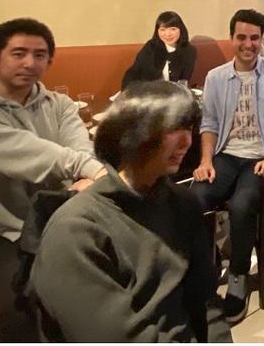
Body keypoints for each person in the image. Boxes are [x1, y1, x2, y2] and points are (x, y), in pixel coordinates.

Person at [30, 81, 215, 342]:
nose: (187, 141)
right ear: (134, 133)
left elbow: (207, 302)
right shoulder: (76, 231)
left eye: (190, 128)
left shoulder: (184, 203)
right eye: (174, 128)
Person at [0, 18, 105, 341]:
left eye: (40, 55)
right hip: (14, 230)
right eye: (18, 53)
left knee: (97, 302)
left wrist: (89, 172)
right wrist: (96, 172)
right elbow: (36, 155)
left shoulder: (60, 104)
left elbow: (80, 148)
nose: (30, 63)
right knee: (19, 317)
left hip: (68, 217)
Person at [192, 9, 264, 323]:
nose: (248, 44)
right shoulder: (216, 77)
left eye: (254, 38)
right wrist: (205, 160)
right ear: (232, 38)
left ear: (262, 39)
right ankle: (205, 265)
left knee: (242, 205)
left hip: (261, 158)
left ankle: (238, 276)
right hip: (226, 155)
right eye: (241, 37)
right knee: (194, 198)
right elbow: (209, 124)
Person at [121, 11, 196, 90]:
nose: (168, 34)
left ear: (181, 29)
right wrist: (127, 91)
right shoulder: (151, 47)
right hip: (145, 92)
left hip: (173, 94)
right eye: (162, 30)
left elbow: (183, 81)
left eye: (173, 29)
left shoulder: (189, 51)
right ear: (157, 31)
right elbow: (134, 71)